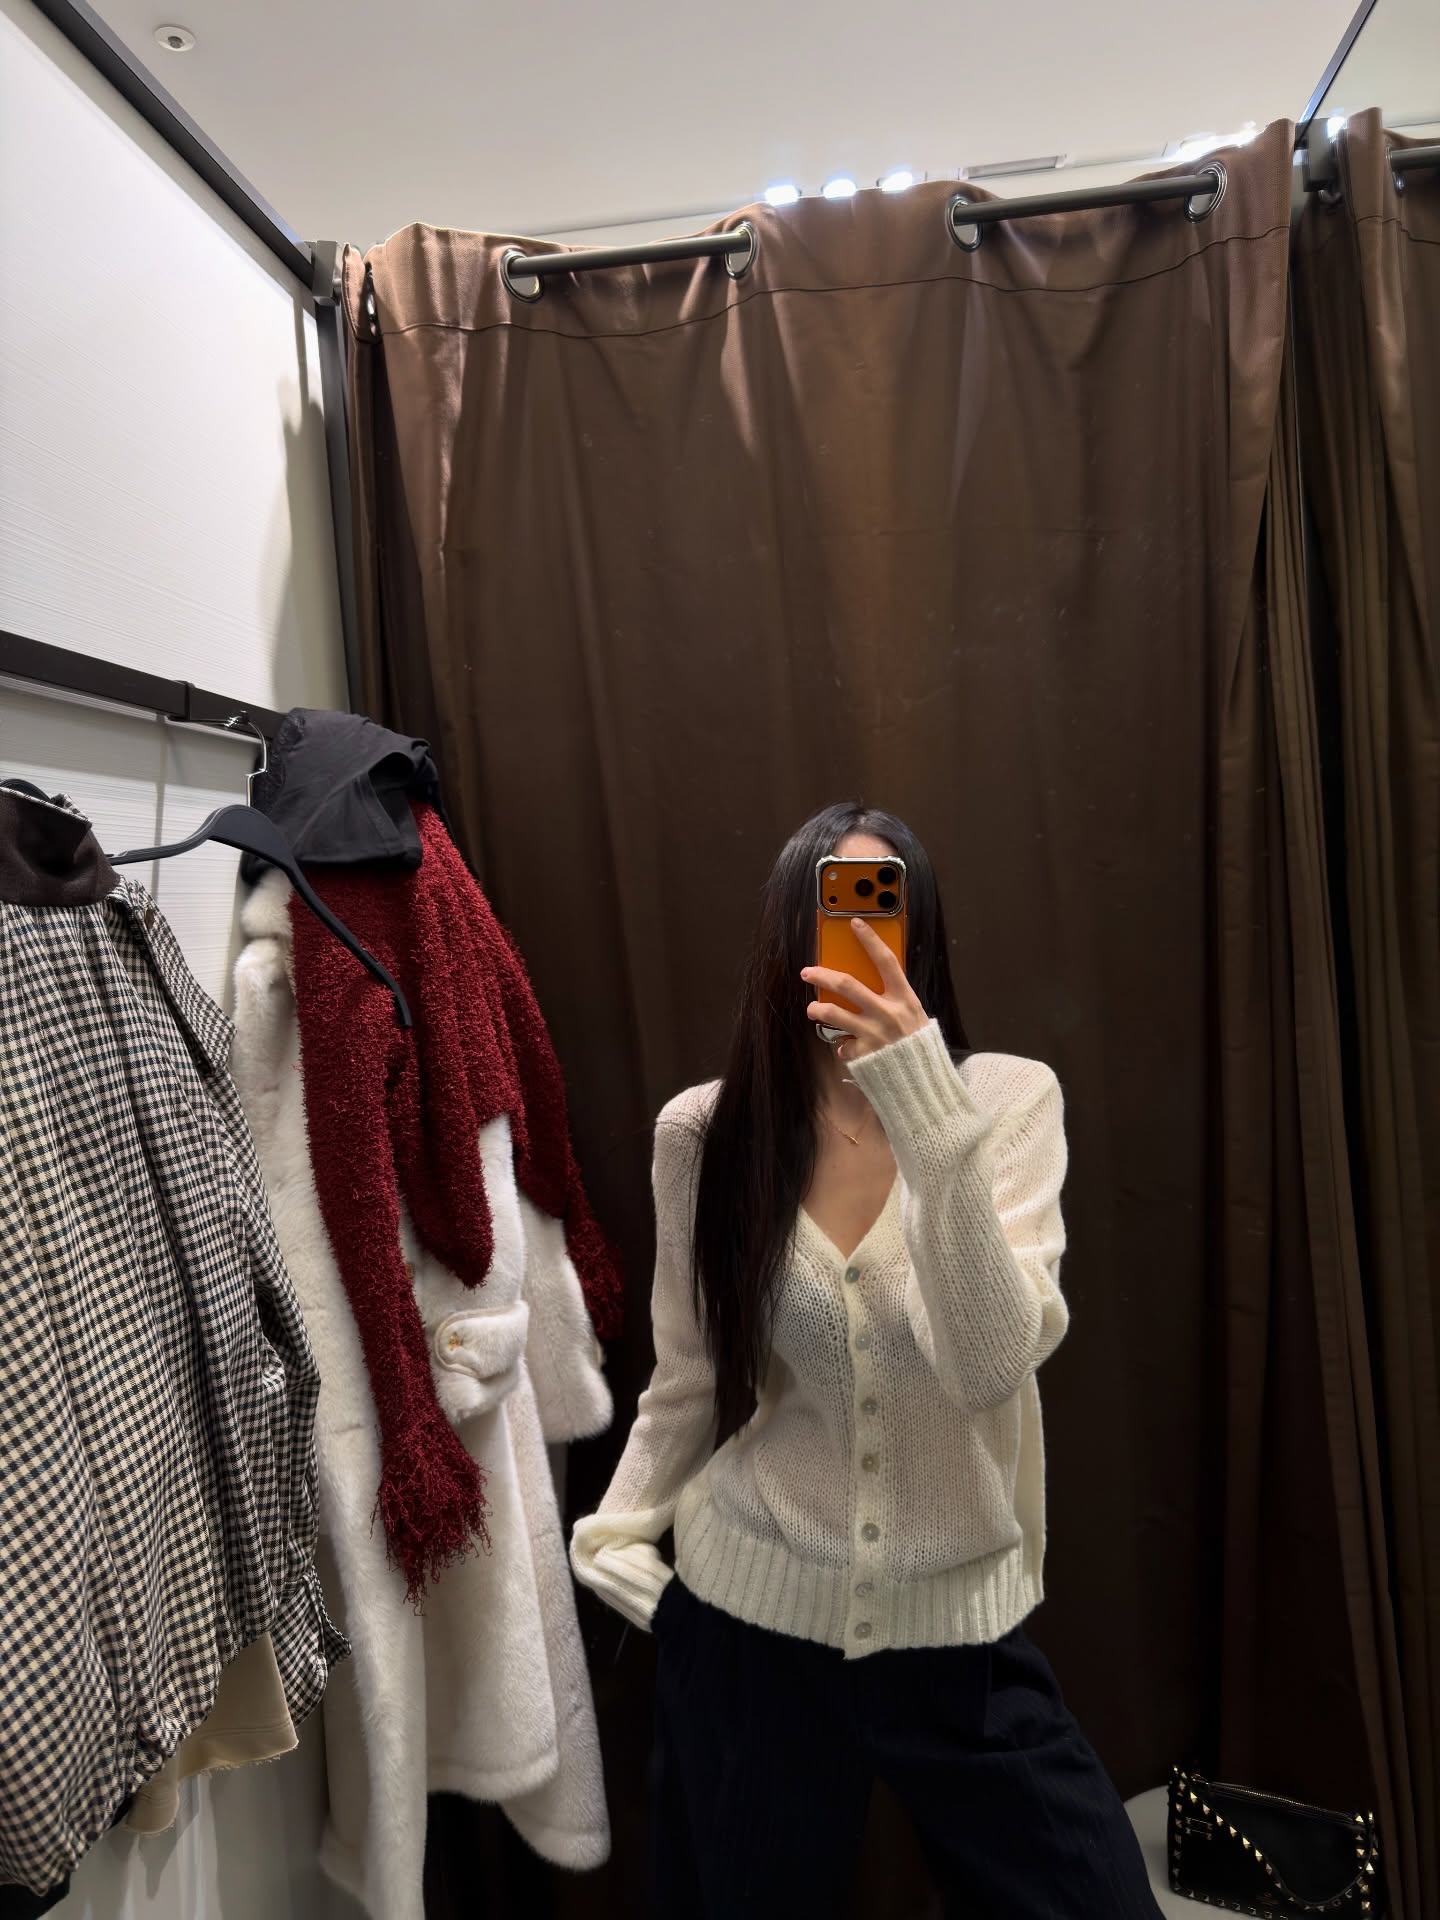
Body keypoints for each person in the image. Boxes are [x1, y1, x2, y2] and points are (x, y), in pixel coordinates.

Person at [571, 802, 1161, 1918]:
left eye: (880, 904)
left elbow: (989, 1364)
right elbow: (688, 1377)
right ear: (789, 930)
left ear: (918, 927)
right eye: (831, 905)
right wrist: (614, 1537)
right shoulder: (705, 1133)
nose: (859, 934)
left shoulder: (1007, 1101)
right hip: (754, 1623)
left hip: (959, 1641)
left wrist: (921, 1104)